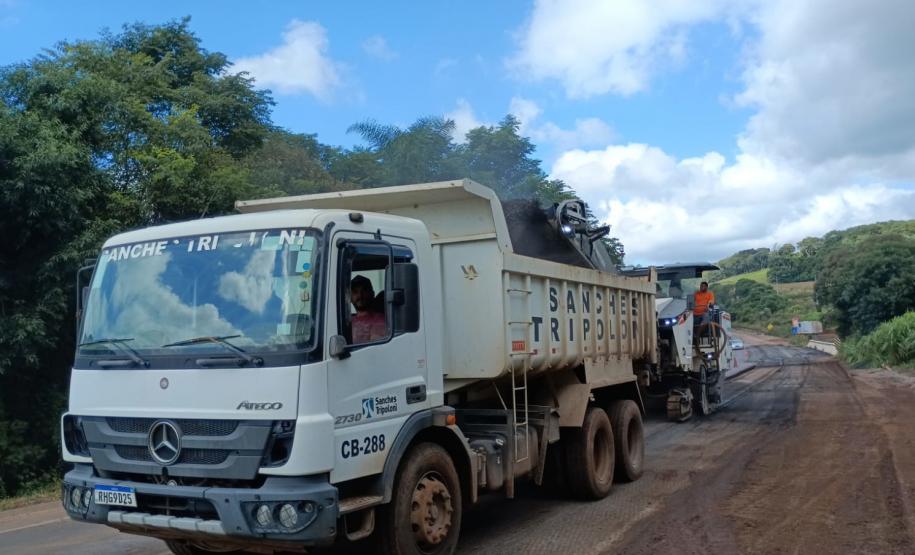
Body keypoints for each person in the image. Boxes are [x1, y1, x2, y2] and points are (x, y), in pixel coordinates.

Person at [350, 275, 386, 343]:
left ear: (372, 294)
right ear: (350, 298)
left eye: (364, 291)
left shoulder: (382, 320)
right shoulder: (347, 323)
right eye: (355, 292)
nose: (360, 295)